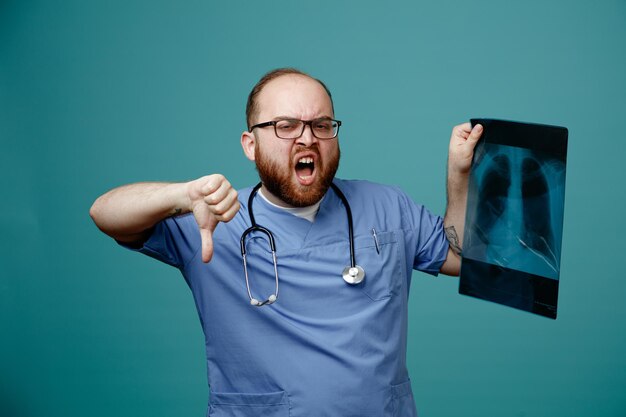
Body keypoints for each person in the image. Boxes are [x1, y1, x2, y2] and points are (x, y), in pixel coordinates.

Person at [90, 68, 482, 417]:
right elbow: (105, 213)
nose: (307, 138)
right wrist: (180, 196)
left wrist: (459, 175)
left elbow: (461, 257)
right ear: (250, 144)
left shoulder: (387, 206)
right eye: (285, 125)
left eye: (322, 124)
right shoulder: (215, 217)